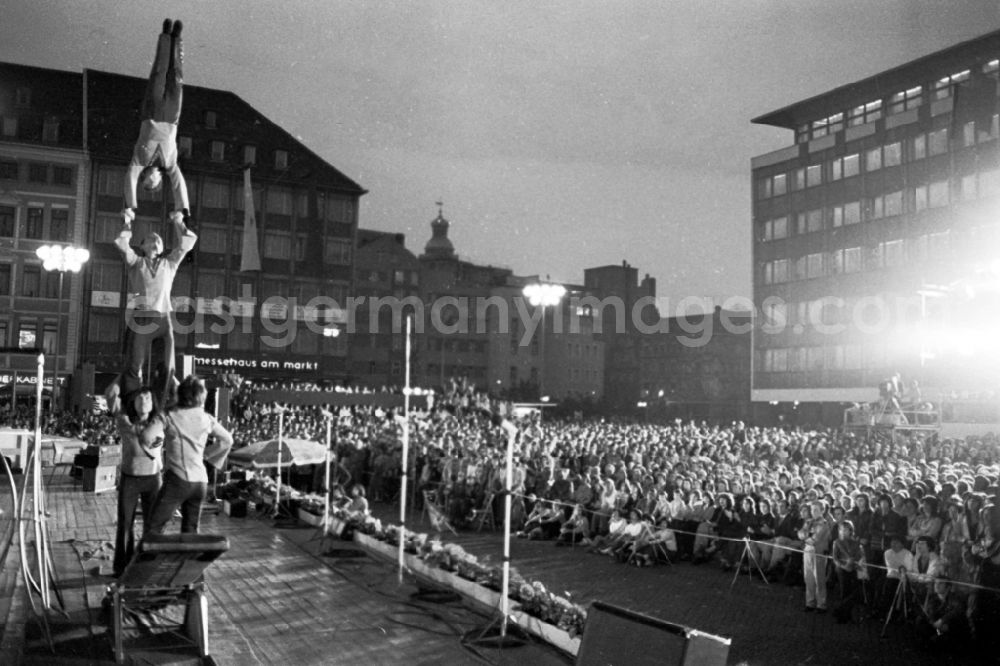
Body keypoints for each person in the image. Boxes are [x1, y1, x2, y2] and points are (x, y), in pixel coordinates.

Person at [114, 208, 197, 406]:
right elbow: (121, 243)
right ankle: (135, 406)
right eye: (150, 238)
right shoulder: (136, 262)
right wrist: (127, 221)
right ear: (142, 246)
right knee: (135, 366)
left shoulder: (170, 263)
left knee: (168, 368)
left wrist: (179, 221)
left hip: (163, 319)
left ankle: (161, 407)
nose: (155, 240)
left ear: (162, 248)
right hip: (142, 319)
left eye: (159, 240)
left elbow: (189, 241)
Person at [144, 375, 232, 535]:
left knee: (153, 527)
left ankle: (149, 560)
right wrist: (207, 455)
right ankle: (186, 561)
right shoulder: (207, 418)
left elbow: (146, 437)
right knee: (191, 531)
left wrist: (156, 442)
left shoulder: (169, 416)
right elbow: (227, 441)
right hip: (200, 483)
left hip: (178, 480)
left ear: (180, 395)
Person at [123, 19, 190, 221]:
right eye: (153, 184)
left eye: (146, 182)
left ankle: (165, 36)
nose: (149, 180)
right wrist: (183, 209)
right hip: (171, 116)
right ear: (159, 179)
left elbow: (130, 179)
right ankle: (177, 39)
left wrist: (130, 206)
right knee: (176, 77)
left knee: (160, 73)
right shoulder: (170, 165)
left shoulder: (138, 162)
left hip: (151, 112)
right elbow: (179, 185)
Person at [112, 386, 163, 576]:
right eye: (140, 398)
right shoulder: (124, 421)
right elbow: (112, 392)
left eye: (148, 398)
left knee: (153, 524)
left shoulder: (159, 422)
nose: (144, 401)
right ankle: (122, 566)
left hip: (153, 478)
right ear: (132, 403)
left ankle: (148, 564)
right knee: (125, 524)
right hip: (130, 478)